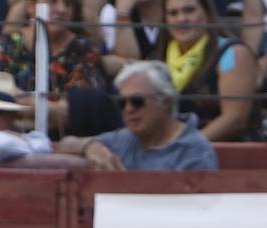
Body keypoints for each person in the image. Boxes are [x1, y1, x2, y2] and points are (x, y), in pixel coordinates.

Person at [56, 60, 217, 169]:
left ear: (166, 102)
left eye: (137, 101)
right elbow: (65, 144)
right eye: (122, 103)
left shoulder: (194, 150)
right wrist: (89, 146)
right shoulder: (127, 138)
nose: (128, 109)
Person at [151, 0, 258, 141]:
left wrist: (185, 146)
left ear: (207, 14)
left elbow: (235, 119)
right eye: (173, 13)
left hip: (224, 151)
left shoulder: (232, 53)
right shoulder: (157, 59)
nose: (181, 19)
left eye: (189, 10)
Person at [0, 0, 106, 99]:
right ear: (30, 6)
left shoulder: (85, 50)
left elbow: (84, 108)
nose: (62, 9)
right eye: (52, 1)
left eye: (68, 3)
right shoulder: (1, 46)